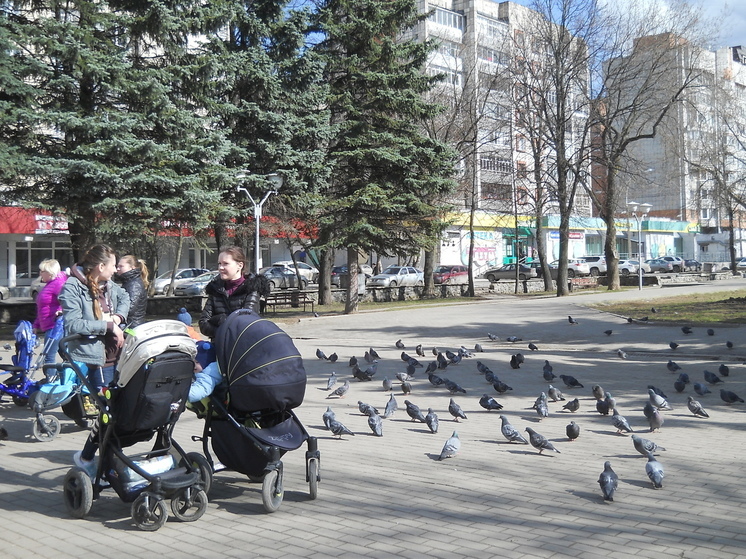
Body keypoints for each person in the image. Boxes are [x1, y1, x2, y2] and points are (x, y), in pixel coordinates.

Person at [198, 246, 270, 339]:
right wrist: (221, 330)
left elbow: (245, 323)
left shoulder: (251, 289)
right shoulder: (215, 289)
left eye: (225, 264)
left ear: (240, 265)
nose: (220, 268)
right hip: (219, 347)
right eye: (219, 263)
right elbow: (203, 323)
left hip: (243, 348)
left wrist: (219, 320)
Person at [32, 259, 67, 364]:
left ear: (50, 272)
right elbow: (43, 308)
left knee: (48, 356)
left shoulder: (58, 284)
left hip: (55, 326)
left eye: (42, 271)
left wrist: (61, 310)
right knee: (65, 354)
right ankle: (61, 377)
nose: (40, 274)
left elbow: (67, 301)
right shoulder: (49, 285)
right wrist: (36, 325)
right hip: (49, 325)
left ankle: (50, 379)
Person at [115, 255, 149, 328]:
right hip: (131, 325)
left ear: (132, 267)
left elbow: (129, 308)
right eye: (117, 266)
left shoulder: (134, 284)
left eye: (121, 266)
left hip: (132, 328)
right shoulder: (129, 282)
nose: (117, 269)